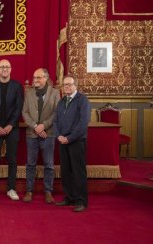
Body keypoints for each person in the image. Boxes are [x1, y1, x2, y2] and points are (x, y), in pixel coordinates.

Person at [0, 59, 23, 201]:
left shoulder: (17, 86)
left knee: (12, 159)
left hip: (12, 128)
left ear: (11, 69)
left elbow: (18, 107)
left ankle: (11, 188)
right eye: (2, 67)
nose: (4, 69)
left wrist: (10, 125)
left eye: (7, 66)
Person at [22, 68, 60, 203]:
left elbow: (57, 112)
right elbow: (25, 112)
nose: (35, 80)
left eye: (38, 77)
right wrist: (35, 126)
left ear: (46, 78)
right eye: (34, 77)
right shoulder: (29, 92)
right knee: (30, 164)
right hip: (32, 134)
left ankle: (48, 191)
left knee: (49, 164)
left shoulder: (55, 93)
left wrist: (43, 125)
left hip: (48, 134)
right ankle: (29, 191)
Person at [53, 75, 91, 212]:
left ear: (76, 85)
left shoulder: (82, 100)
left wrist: (69, 138)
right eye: (64, 85)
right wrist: (59, 136)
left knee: (78, 171)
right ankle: (69, 198)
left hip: (76, 141)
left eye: (69, 84)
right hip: (62, 141)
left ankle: (81, 201)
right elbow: (55, 121)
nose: (66, 87)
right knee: (66, 171)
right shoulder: (62, 101)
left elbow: (83, 124)